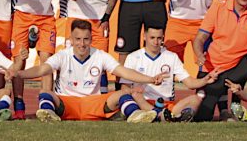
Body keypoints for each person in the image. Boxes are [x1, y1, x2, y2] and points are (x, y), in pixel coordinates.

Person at [10, 20, 166, 123]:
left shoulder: (99, 55)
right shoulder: (63, 55)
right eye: (78, 39)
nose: (82, 44)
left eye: (86, 39)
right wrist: (19, 74)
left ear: (91, 39)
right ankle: (48, 114)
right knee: (46, 93)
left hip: (94, 103)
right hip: (68, 102)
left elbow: (123, 72)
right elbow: (42, 69)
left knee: (122, 94)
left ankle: (135, 116)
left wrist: (150, 79)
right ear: (71, 39)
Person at [123, 26, 216, 121]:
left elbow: (190, 83)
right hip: (143, 102)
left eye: (159, 38)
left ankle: (173, 117)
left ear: (163, 38)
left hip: (167, 104)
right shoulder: (133, 57)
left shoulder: (172, 57)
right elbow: (124, 87)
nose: (156, 42)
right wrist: (134, 91)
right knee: (132, 95)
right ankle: (162, 116)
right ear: (144, 36)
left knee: (196, 99)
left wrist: (205, 80)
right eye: (152, 38)